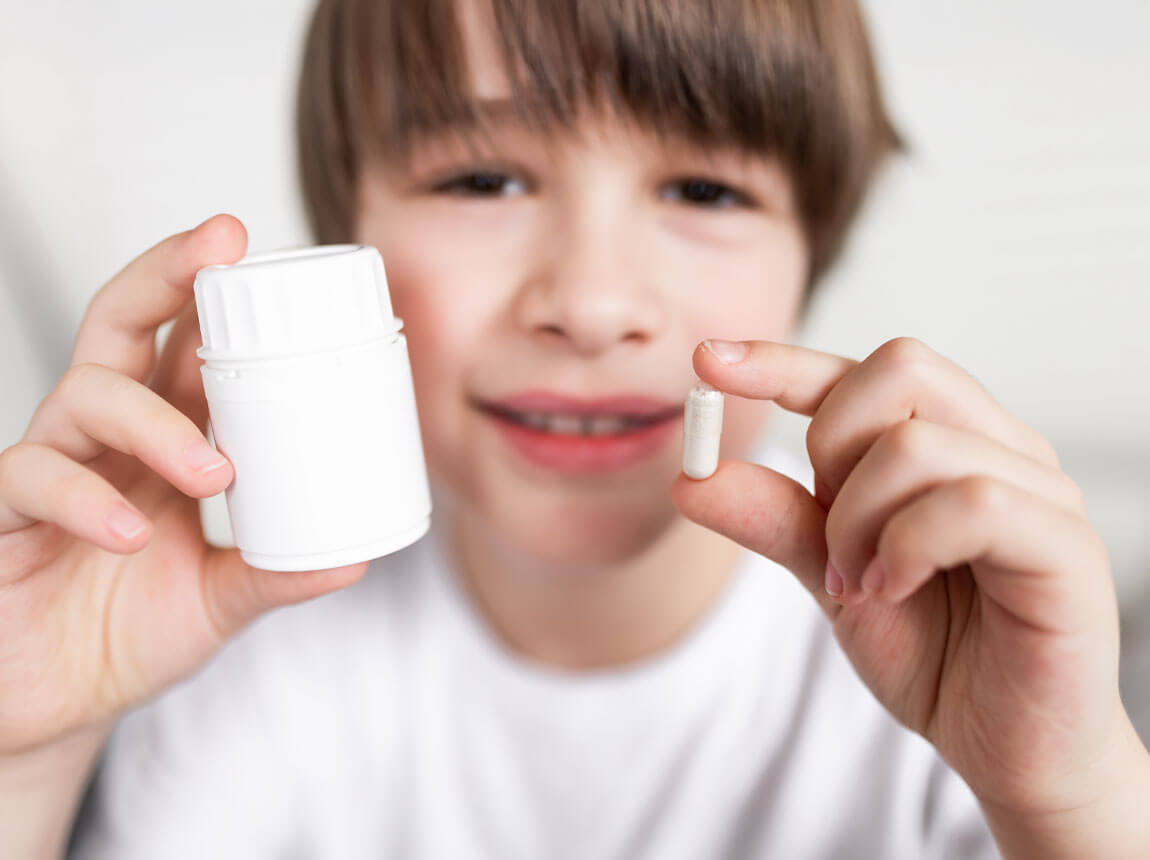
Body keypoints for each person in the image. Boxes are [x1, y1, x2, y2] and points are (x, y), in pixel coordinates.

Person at [1, 0, 1147, 857]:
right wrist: (27, 754)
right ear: (348, 246)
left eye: (704, 192)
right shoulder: (235, 655)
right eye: (486, 180)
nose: (594, 303)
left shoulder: (956, 660)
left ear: (813, 259)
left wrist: (1070, 794)